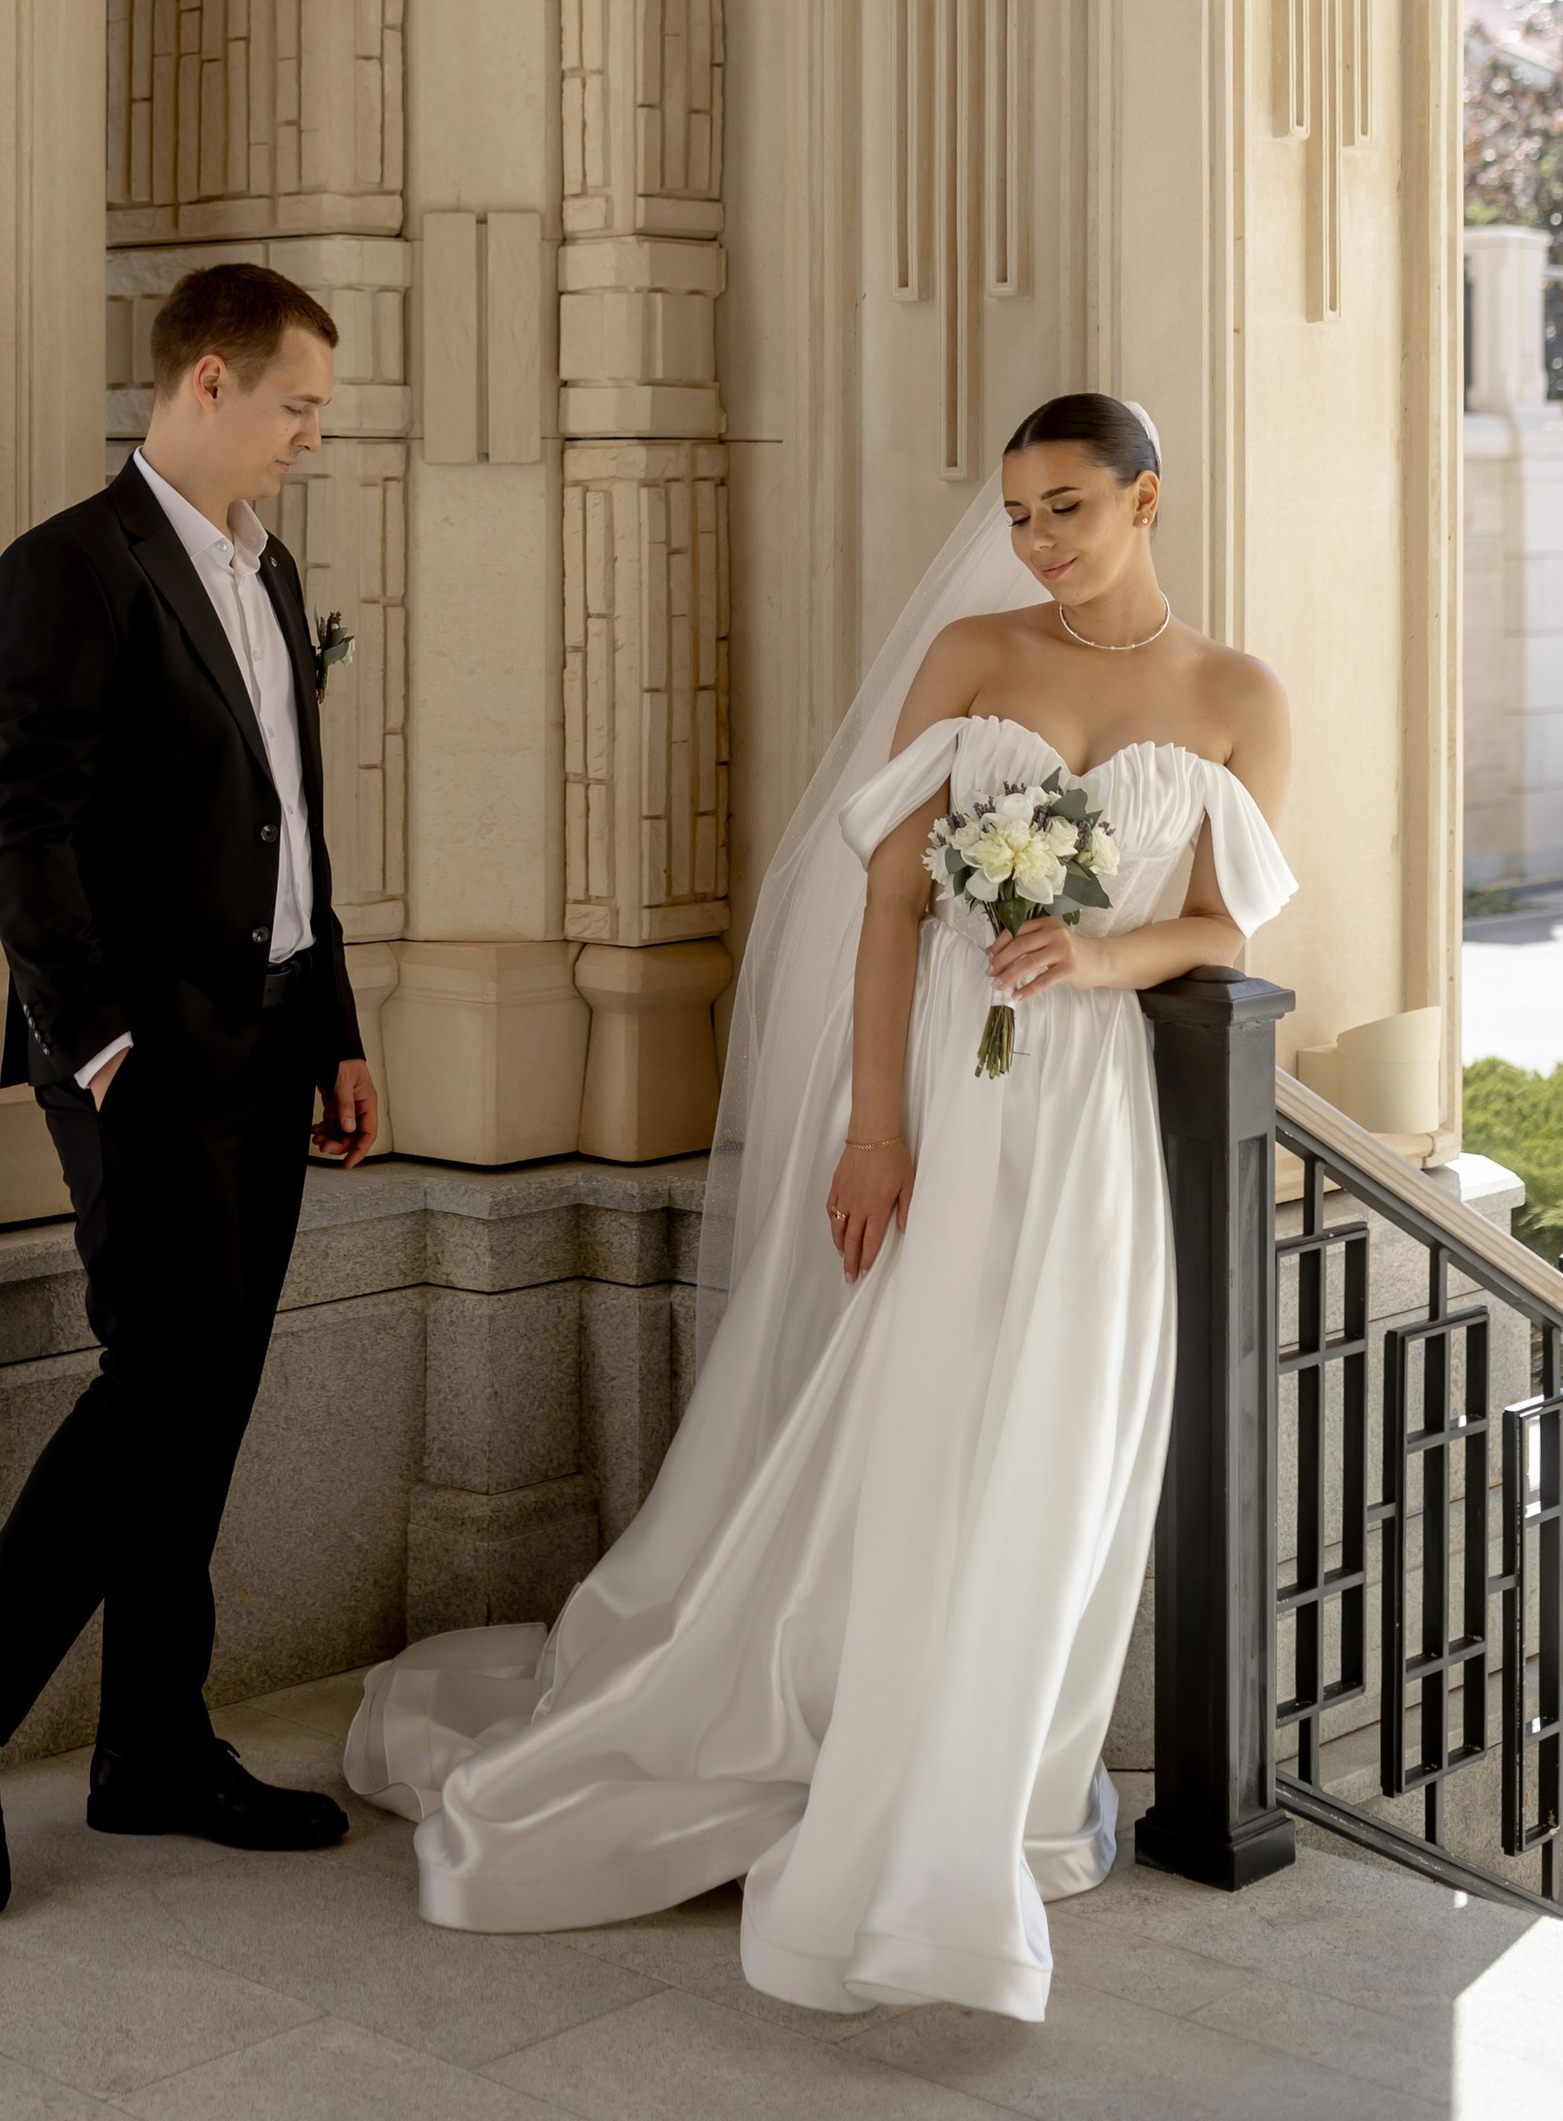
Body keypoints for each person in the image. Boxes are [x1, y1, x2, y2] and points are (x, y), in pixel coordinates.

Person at [346, 391, 1296, 2025]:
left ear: (1150, 498)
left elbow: (1224, 923)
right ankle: (848, 1708)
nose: (1036, 542)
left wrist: (1106, 953)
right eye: (1017, 514)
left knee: (1053, 1426)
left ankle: (986, 1750)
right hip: (944, 1072)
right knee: (909, 1408)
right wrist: (875, 1123)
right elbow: (885, 892)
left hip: (1083, 1112)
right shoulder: (976, 658)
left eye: (1066, 507)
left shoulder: (1237, 696)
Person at [0, 261, 382, 1918]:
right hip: (139, 1058)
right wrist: (93, 1043)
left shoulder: (269, 565)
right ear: (211, 385)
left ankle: (153, 1746)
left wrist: (339, 1026)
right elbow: (19, 824)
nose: (313, 434)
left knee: (212, 1394)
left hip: (271, 1037)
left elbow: (291, 825)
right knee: (158, 1382)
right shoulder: (66, 572)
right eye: (300, 404)